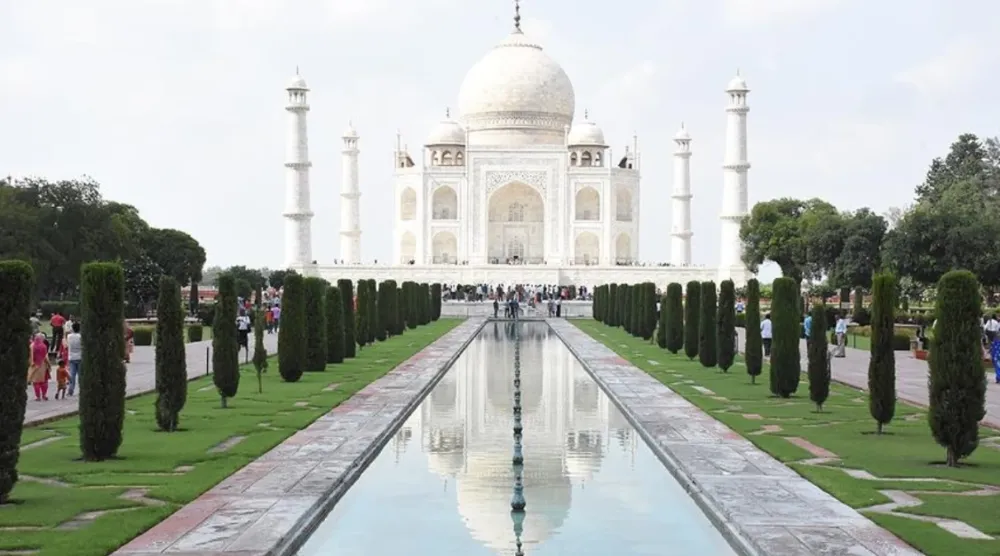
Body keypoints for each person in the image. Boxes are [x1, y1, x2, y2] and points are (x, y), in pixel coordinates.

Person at [27, 334, 51, 401]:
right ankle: (44, 395)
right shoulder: (44, 346)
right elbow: (46, 357)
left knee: (36, 382)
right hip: (43, 366)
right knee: (44, 382)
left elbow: (29, 356)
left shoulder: (31, 346)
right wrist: (49, 365)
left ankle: (38, 397)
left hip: (34, 365)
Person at [64, 322, 83, 395]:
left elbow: (65, 335)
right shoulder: (80, 336)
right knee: (80, 375)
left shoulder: (69, 336)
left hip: (71, 357)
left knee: (72, 375)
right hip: (80, 356)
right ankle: (82, 390)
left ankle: (70, 390)